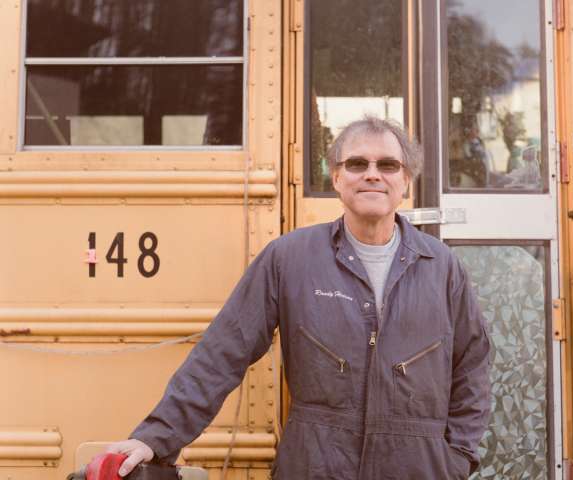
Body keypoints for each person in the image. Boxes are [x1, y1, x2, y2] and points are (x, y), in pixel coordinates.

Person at [107, 116, 491, 479]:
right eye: (357, 163)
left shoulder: (441, 267)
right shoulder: (290, 258)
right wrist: (156, 437)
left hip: (418, 467)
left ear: (405, 181)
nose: (372, 174)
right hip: (317, 462)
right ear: (337, 177)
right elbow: (222, 352)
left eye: (388, 165)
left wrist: (456, 458)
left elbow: (472, 366)